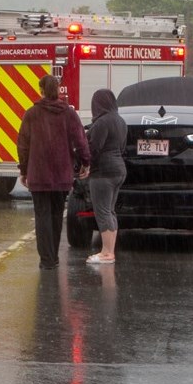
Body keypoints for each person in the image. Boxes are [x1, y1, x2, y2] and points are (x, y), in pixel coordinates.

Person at [18, 74, 91, 271]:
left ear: (41, 91)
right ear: (58, 90)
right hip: (61, 174)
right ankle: (54, 256)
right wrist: (86, 162)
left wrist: (24, 170)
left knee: (42, 216)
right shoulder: (68, 114)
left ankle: (46, 259)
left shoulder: (32, 114)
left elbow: (23, 145)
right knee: (57, 215)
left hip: (39, 173)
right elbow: (80, 140)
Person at [85, 88, 126, 265]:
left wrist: (85, 165)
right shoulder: (120, 121)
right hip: (119, 169)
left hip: (103, 172)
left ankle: (106, 252)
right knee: (110, 210)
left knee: (102, 211)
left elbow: (94, 149)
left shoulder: (102, 122)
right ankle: (110, 251)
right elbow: (122, 147)